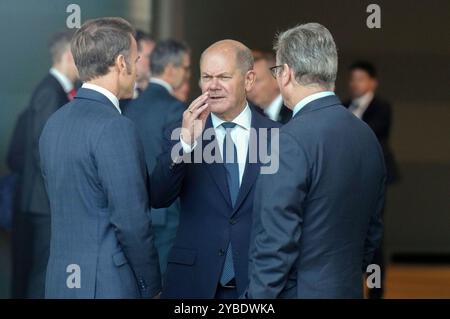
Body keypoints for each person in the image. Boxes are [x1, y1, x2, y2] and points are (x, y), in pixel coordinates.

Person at [245, 23, 385, 299]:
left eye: (276, 71)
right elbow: (373, 230)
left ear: (286, 73)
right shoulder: (366, 135)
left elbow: (275, 240)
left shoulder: (287, 139)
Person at [39, 17, 160, 298]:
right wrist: (152, 285)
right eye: (136, 59)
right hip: (106, 283)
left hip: (60, 281)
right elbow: (131, 221)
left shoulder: (54, 123)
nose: (139, 69)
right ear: (121, 63)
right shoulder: (116, 126)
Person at [151, 39, 280, 299]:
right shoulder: (182, 131)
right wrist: (185, 144)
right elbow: (159, 196)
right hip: (193, 284)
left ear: (249, 79)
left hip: (256, 285)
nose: (213, 85)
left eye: (223, 76)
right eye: (207, 76)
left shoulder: (277, 137)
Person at [12, 30, 78, 298]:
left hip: (42, 201)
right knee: (42, 273)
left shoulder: (53, 89)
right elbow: (45, 151)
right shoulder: (51, 92)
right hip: (45, 204)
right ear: (69, 56)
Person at [124, 39, 190, 277]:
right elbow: (178, 158)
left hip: (132, 209)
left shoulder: (129, 106)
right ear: (171, 69)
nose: (188, 74)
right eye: (185, 67)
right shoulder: (175, 108)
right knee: (162, 282)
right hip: (166, 212)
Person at [345, 61, 399, 298]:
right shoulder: (344, 105)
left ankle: (375, 290)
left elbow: (372, 133)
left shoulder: (382, 107)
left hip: (373, 178)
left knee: (373, 233)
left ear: (372, 82)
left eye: (360, 78)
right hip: (347, 179)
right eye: (352, 79)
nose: (355, 83)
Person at [247, 50, 292, 124]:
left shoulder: (295, 113)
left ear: (277, 78)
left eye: (256, 81)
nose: (249, 88)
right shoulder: (250, 116)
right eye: (247, 82)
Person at [119, 30, 155, 112]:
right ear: (134, 55)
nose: (154, 62)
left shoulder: (155, 91)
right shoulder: (118, 90)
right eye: (150, 57)